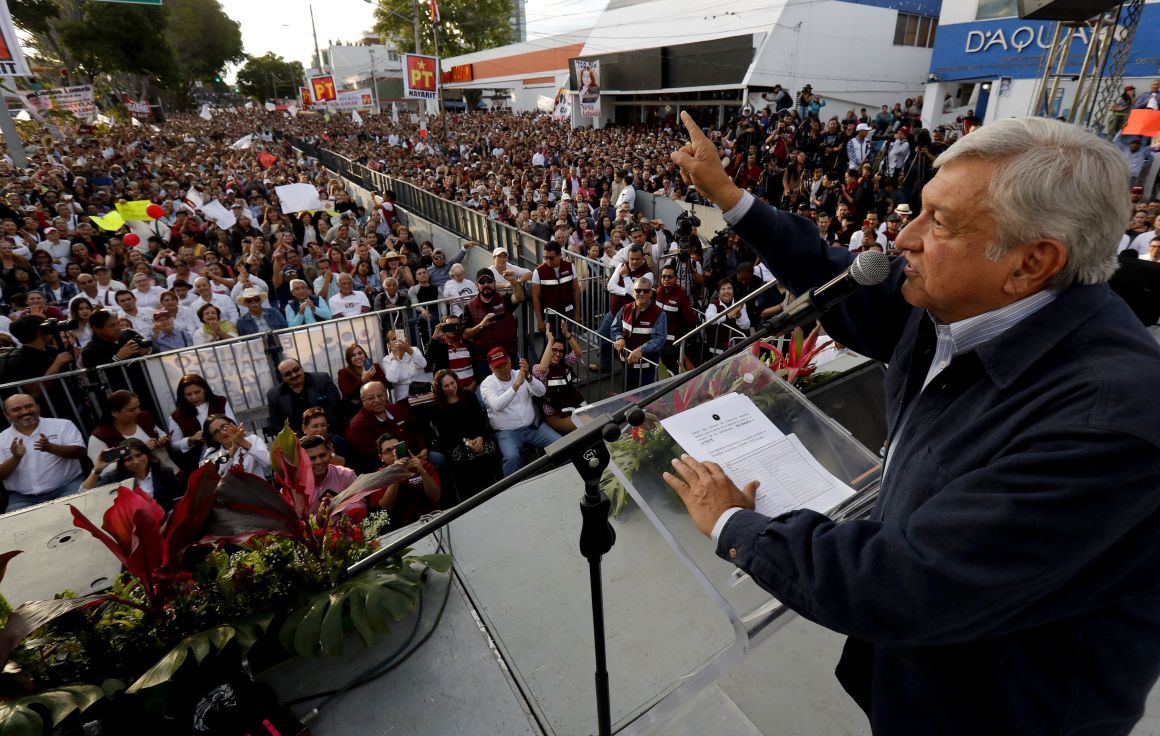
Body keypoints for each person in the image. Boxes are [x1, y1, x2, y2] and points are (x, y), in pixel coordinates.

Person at [666, 111, 1160, 732]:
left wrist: (738, 526)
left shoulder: (1107, 425)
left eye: (941, 222)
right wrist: (729, 197)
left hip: (1004, 712)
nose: (903, 238)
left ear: (1031, 263)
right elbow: (845, 283)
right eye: (920, 209)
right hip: (923, 681)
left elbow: (909, 582)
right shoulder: (968, 301)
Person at [479, 347, 560, 477]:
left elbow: (541, 392)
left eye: (504, 364)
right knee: (511, 457)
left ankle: (564, 473)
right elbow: (497, 405)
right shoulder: (487, 384)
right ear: (491, 367)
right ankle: (510, 490)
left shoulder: (520, 374)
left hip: (532, 427)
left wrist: (528, 376)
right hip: (507, 432)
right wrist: (516, 385)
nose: (503, 369)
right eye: (498, 367)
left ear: (510, 361)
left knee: (561, 443)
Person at [0, 393, 87, 511]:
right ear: (7, 415)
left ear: (38, 407)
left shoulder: (62, 425)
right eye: (16, 409)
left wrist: (50, 448)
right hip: (23, 497)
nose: (25, 411)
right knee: (15, 527)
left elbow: (80, 452)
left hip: (67, 486)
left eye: (29, 406)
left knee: (83, 510)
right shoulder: (2, 438)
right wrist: (15, 458)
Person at [429, 368, 500, 501]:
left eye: (452, 383)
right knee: (469, 462)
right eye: (446, 385)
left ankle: (494, 491)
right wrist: (466, 442)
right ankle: (472, 498)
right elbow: (445, 436)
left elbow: (481, 420)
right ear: (440, 389)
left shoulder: (468, 395)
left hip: (478, 439)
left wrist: (480, 437)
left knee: (489, 454)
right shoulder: (437, 408)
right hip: (457, 445)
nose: (451, 387)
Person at [344, 381, 439, 472]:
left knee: (439, 459)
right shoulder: (357, 426)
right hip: (385, 468)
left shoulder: (397, 410)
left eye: (380, 395)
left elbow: (416, 429)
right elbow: (370, 456)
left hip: (415, 455)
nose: (377, 400)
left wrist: (423, 448)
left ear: (386, 395)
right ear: (363, 400)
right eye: (371, 398)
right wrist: (403, 461)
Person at [80, 438, 184, 510]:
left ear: (147, 455)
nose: (136, 461)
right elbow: (84, 494)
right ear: (122, 463)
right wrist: (97, 469)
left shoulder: (165, 473)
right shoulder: (114, 478)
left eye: (139, 455)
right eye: (129, 459)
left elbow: (178, 501)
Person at [87, 390, 176, 472]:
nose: (138, 411)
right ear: (114, 413)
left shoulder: (144, 418)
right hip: (138, 483)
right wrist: (141, 449)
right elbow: (102, 468)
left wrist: (162, 440)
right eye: (131, 410)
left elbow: (160, 434)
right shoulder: (101, 436)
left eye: (138, 407)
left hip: (170, 471)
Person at [167, 374, 234, 475]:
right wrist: (191, 440)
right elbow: (174, 445)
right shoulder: (177, 415)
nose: (194, 397)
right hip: (200, 461)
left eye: (197, 392)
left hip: (228, 451)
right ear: (183, 395)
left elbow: (233, 425)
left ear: (205, 389)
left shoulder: (219, 402)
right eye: (188, 395)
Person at [462, 268, 525, 375]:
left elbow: (519, 297)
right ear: (477, 285)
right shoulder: (470, 306)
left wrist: (513, 281)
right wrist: (481, 325)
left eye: (489, 281)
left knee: (516, 388)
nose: (486, 284)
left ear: (495, 283)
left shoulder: (504, 299)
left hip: (509, 357)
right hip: (485, 361)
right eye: (482, 282)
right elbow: (465, 335)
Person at [372, 433, 440, 529]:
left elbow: (436, 497)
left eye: (397, 447)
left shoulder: (422, 465)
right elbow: (385, 508)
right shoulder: (378, 477)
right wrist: (396, 473)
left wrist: (422, 472)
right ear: (381, 457)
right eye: (388, 450)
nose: (394, 453)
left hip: (431, 517)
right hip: (400, 527)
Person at [612, 277, 667, 389]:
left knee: (646, 402)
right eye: (638, 290)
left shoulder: (659, 314)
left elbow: (659, 339)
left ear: (651, 293)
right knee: (627, 399)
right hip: (626, 365)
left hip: (646, 369)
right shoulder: (625, 309)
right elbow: (614, 328)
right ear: (633, 292)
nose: (641, 293)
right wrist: (619, 338)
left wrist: (641, 350)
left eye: (646, 291)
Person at [531, 325, 585, 435]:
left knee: (593, 420)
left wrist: (568, 335)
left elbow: (578, 354)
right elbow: (543, 369)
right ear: (547, 349)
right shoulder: (537, 368)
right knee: (583, 425)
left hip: (572, 405)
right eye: (554, 350)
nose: (558, 354)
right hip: (554, 414)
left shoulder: (565, 362)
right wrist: (550, 340)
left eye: (561, 351)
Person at [266, 358, 342, 434]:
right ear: (282, 377)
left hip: (328, 431)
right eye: (288, 374)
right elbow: (277, 424)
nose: (294, 375)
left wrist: (321, 430)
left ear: (302, 368)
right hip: (298, 439)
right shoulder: (274, 395)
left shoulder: (322, 380)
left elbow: (335, 408)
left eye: (296, 370)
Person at [301, 433, 357, 512]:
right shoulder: (295, 485)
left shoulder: (346, 475)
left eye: (322, 455)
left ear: (330, 453)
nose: (318, 461)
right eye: (312, 458)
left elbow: (361, 507)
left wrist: (337, 506)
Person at [336, 343, 388, 420]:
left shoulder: (375, 367)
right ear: (349, 359)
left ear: (364, 354)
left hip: (380, 406)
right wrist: (363, 380)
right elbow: (347, 393)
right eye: (353, 355)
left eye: (360, 353)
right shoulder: (344, 373)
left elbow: (385, 385)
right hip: (358, 412)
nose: (357, 357)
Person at [382, 330, 428, 400]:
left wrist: (408, 349)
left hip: (423, 393)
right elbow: (393, 379)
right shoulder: (387, 359)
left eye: (400, 337)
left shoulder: (414, 350)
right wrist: (396, 357)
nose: (397, 341)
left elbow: (423, 364)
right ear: (388, 345)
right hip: (403, 398)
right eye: (394, 339)